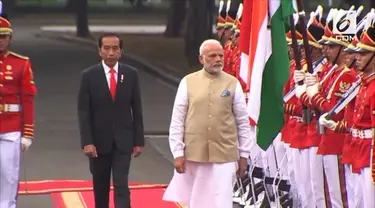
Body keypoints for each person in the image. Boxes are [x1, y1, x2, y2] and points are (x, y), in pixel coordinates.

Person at [163, 39, 254, 208]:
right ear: (201, 59)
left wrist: (244, 155)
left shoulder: (232, 83)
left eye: (221, 55)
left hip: (225, 154)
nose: (218, 59)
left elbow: (243, 121)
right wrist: (177, 152)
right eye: (212, 56)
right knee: (196, 200)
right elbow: (177, 120)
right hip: (194, 153)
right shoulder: (188, 82)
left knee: (221, 201)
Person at [77, 33, 145, 208]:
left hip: (124, 141)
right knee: (101, 187)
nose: (111, 52)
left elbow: (137, 109)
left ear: (120, 51)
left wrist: (138, 141)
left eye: (115, 48)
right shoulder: (89, 76)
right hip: (98, 143)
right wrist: (87, 142)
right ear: (99, 51)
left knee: (122, 184)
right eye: (106, 48)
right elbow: (84, 112)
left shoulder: (131, 74)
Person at [0, 16, 36, 208]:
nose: (0, 40)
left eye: (4, 36)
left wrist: (27, 132)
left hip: (11, 126)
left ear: (10, 38)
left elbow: (27, 99)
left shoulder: (21, 63)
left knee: (9, 173)